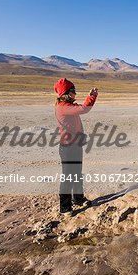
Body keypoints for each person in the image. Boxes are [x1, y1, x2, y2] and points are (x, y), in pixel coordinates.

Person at [53, 77, 98, 214]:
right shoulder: (63, 108)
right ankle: (65, 208)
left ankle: (78, 199)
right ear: (66, 93)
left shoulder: (67, 106)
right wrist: (92, 96)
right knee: (68, 176)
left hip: (75, 145)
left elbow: (75, 124)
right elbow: (84, 109)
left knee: (77, 173)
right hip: (68, 148)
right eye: (73, 91)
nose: (75, 94)